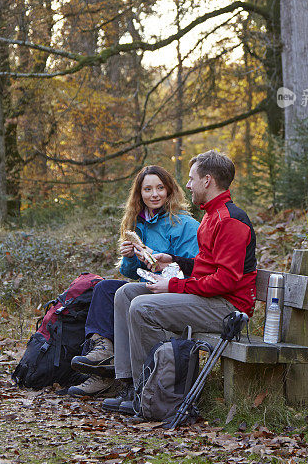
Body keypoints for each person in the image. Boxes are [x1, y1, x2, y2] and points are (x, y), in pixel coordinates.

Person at [102, 149, 257, 415]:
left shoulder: (230, 220)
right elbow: (206, 267)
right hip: (209, 297)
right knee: (126, 294)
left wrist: (173, 286)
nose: (187, 185)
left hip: (228, 307)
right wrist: (171, 260)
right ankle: (130, 383)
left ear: (207, 180)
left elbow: (226, 281)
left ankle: (154, 391)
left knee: (142, 307)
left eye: (191, 178)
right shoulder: (211, 215)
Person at [67, 165, 199, 397]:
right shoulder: (137, 224)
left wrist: (158, 260)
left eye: (160, 188)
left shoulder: (185, 224)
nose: (154, 194)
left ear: (169, 191)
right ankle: (103, 356)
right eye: (147, 189)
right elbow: (131, 274)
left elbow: (192, 267)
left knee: (125, 294)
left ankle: (120, 378)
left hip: (173, 291)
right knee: (105, 288)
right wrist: (129, 257)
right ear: (139, 194)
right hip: (147, 285)